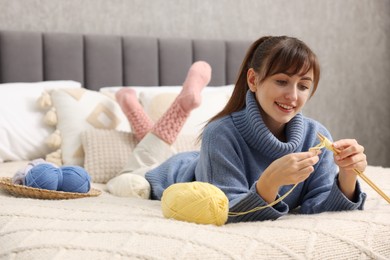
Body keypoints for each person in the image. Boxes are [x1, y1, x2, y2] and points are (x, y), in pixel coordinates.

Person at [107, 36, 367, 223]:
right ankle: (133, 103)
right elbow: (226, 210)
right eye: (282, 81)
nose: (292, 95)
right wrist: (269, 182)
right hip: (162, 175)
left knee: (154, 142)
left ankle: (130, 104)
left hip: (201, 162)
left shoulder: (316, 135)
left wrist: (347, 175)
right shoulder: (219, 133)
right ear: (253, 80)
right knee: (129, 176)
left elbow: (319, 206)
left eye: (303, 86)